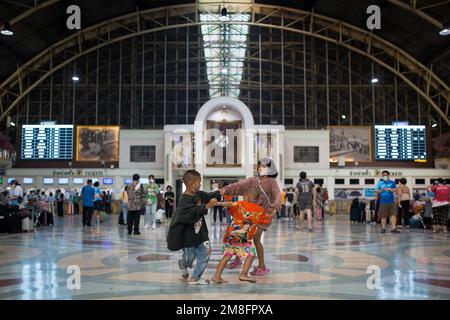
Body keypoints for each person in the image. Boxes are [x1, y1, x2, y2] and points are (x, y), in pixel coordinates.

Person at [220, 158, 280, 276]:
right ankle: (237, 258)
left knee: (256, 239)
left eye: (264, 166)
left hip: (261, 216)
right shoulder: (252, 181)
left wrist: (274, 208)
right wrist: (225, 190)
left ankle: (262, 266)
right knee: (239, 234)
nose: (260, 168)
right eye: (259, 166)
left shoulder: (272, 182)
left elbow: (277, 195)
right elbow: (238, 186)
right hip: (247, 215)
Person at [167, 170, 219, 285]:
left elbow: (210, 195)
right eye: (199, 182)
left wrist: (223, 191)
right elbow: (189, 214)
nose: (200, 184)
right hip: (188, 236)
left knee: (206, 252)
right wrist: (207, 206)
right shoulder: (183, 200)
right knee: (189, 258)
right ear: (192, 184)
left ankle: (195, 277)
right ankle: (183, 263)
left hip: (201, 234)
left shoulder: (199, 194)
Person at [212, 187, 272, 284]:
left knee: (227, 255)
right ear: (257, 199)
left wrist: (217, 203)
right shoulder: (260, 210)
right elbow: (266, 222)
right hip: (243, 237)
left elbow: (229, 204)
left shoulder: (240, 204)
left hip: (231, 236)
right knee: (251, 254)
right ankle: (243, 274)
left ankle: (217, 276)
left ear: (246, 197)